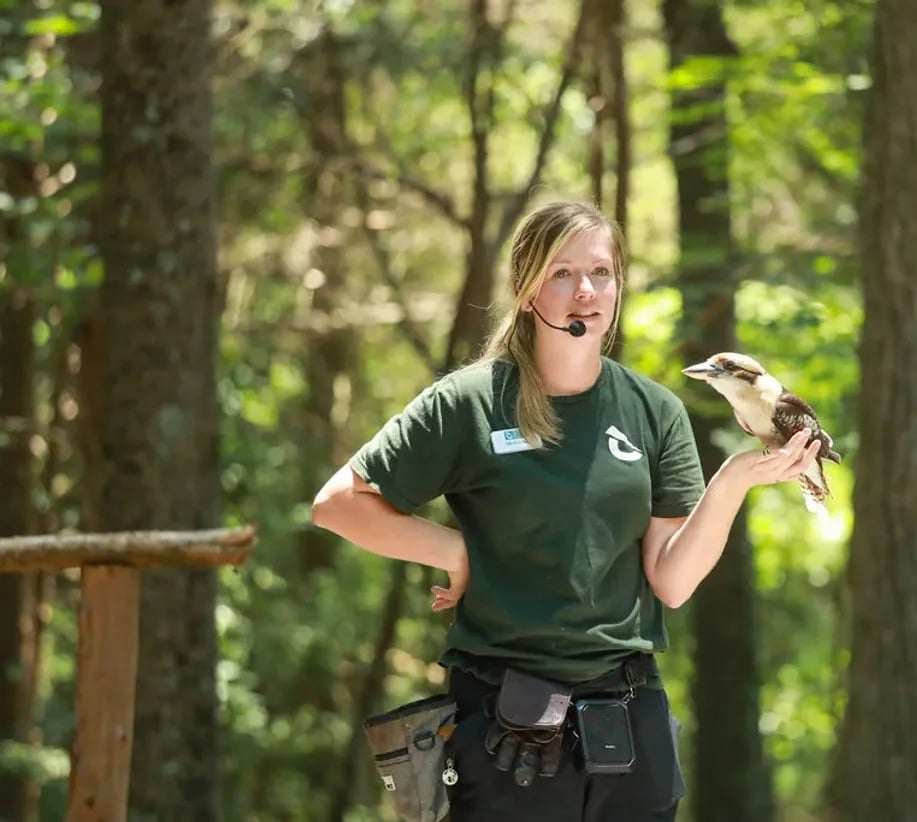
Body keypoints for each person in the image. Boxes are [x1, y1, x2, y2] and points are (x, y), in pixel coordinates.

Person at [311, 200, 821, 822]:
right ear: (527, 290)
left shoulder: (654, 411)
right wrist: (457, 552)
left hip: (629, 720)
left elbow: (673, 581)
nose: (586, 291)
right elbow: (338, 505)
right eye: (562, 273)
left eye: (601, 273)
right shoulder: (468, 402)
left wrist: (735, 480)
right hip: (506, 721)